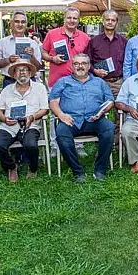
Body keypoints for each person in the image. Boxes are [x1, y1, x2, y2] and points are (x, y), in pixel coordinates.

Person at [49, 53, 114, 182]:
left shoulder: (99, 82)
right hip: (71, 120)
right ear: (72, 66)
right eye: (76, 64)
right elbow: (53, 101)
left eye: (83, 63)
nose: (80, 66)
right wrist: (61, 115)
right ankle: (77, 171)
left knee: (109, 128)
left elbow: (110, 101)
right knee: (61, 132)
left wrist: (101, 112)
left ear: (89, 66)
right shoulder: (63, 82)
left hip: (95, 119)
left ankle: (100, 170)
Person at [0, 60, 49, 182]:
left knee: (30, 145)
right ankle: (12, 167)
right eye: (18, 70)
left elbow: (45, 109)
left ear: (30, 73)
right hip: (9, 125)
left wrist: (32, 117)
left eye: (25, 70)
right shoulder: (7, 89)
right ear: (14, 75)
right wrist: (4, 119)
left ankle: (33, 168)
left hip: (30, 124)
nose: (22, 72)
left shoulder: (39, 88)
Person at [88, 9, 128, 147]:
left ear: (116, 22)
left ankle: (117, 142)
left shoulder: (124, 41)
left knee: (120, 113)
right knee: (98, 111)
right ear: (103, 21)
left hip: (118, 82)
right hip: (99, 82)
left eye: (113, 20)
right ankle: (100, 142)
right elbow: (87, 61)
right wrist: (95, 71)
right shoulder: (94, 42)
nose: (110, 22)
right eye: (107, 20)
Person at [42, 7, 90, 88]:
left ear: (78, 20)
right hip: (56, 83)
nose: (72, 20)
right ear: (64, 19)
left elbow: (88, 59)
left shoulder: (85, 37)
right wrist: (53, 58)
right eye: (69, 18)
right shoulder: (51, 34)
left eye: (75, 18)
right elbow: (43, 53)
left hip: (78, 83)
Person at [0, 11, 42, 88]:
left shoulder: (33, 43)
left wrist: (32, 57)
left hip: (29, 81)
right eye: (17, 21)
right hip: (9, 81)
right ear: (11, 24)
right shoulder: (2, 42)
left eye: (23, 22)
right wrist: (9, 60)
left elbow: (38, 67)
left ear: (26, 25)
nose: (20, 24)